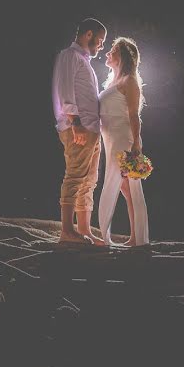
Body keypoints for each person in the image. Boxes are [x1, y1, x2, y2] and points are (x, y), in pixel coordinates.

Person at [52, 18, 107, 244]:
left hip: (92, 128)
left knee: (89, 180)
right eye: (100, 40)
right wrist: (75, 122)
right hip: (78, 127)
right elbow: (65, 91)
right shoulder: (69, 56)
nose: (101, 46)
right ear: (88, 34)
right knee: (75, 177)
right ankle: (67, 231)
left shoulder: (85, 61)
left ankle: (84, 231)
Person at [97, 37, 150, 246]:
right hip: (109, 139)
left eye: (113, 50)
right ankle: (135, 237)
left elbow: (133, 114)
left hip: (122, 138)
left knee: (129, 187)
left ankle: (137, 238)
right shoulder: (112, 81)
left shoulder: (129, 81)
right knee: (126, 189)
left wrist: (136, 143)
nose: (108, 52)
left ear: (124, 56)